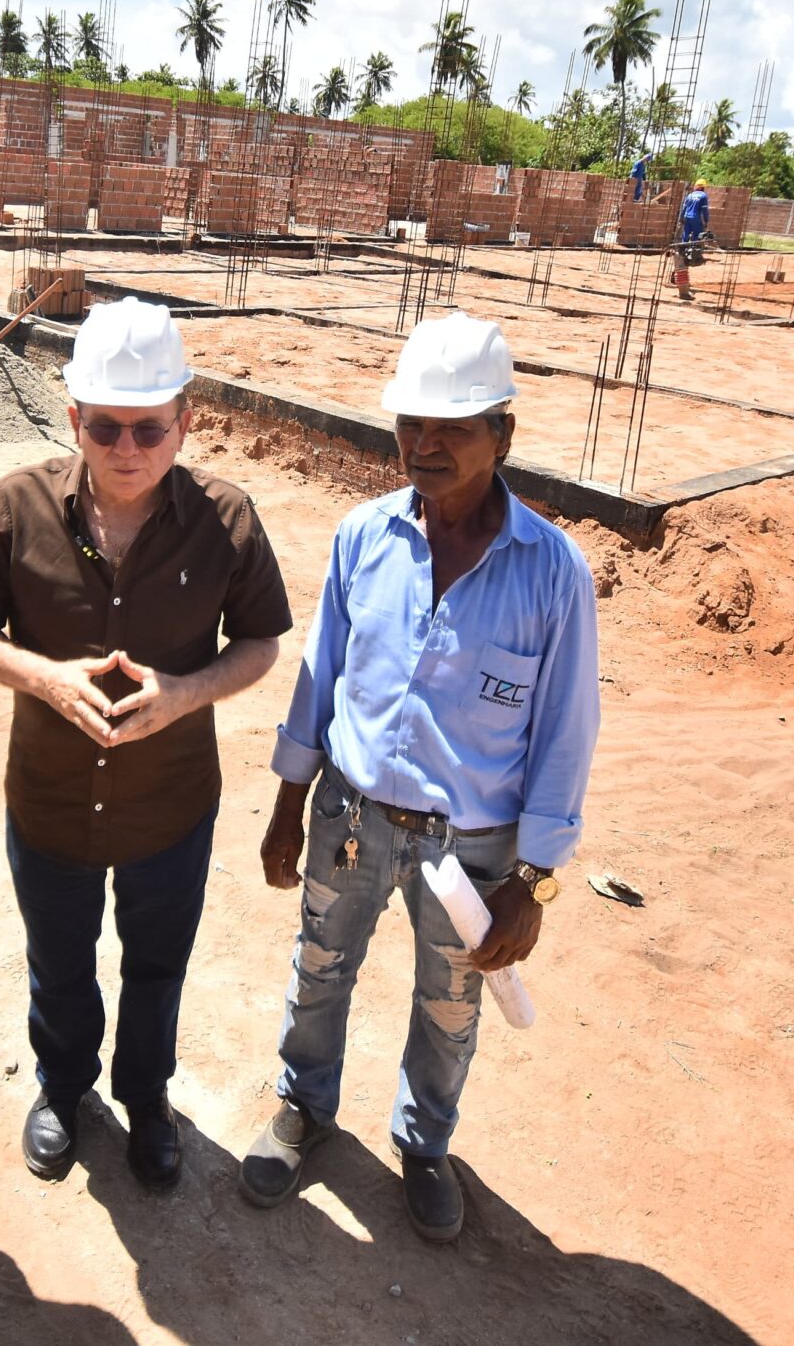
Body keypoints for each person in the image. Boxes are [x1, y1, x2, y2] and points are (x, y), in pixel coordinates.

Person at [239, 313, 600, 1244]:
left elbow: (566, 731)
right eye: (411, 424)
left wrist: (533, 880)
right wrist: (289, 803)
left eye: (454, 427)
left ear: (503, 436)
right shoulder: (365, 537)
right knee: (319, 969)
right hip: (350, 815)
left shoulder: (552, 572)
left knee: (450, 1008)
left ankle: (425, 1143)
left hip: (470, 850)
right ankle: (303, 1109)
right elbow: (320, 674)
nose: (425, 445)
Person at [0, 299, 292, 1190]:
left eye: (148, 426)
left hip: (169, 805)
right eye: (106, 426)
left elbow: (259, 643)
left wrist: (187, 694)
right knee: (57, 958)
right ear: (74, 421)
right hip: (52, 796)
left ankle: (146, 1098)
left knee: (156, 965)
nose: (127, 447)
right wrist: (42, 678)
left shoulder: (229, 521)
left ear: (185, 420)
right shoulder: (17, 507)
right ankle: (64, 1090)